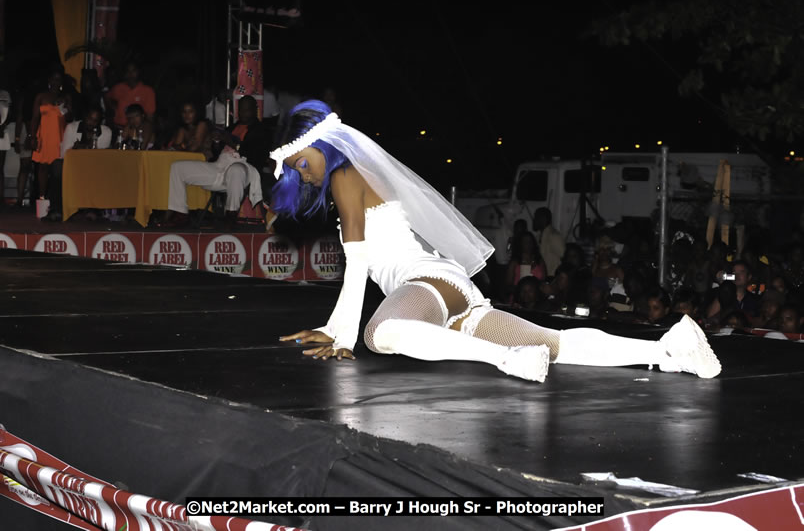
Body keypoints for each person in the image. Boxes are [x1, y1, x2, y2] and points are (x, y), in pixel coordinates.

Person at [271, 100, 721, 382]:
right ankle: (670, 350)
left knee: (381, 333)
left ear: (323, 144)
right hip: (446, 295)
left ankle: (509, 359)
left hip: (425, 283)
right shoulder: (359, 176)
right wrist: (333, 329)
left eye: (302, 163)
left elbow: (357, 263)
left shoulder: (345, 176)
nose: (302, 174)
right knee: (556, 344)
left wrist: (343, 336)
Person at [161, 95, 264, 228]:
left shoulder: (261, 130)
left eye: (246, 110)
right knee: (177, 167)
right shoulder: (233, 127)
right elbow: (217, 152)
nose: (243, 113)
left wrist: (230, 142)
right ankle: (181, 214)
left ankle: (231, 215)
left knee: (236, 169)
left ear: (255, 110)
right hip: (220, 167)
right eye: (241, 110)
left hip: (244, 169)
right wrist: (216, 142)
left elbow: (254, 155)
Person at [48, 106, 112, 221]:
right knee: (57, 165)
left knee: (100, 170)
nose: (91, 123)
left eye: (95, 120)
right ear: (84, 117)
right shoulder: (72, 128)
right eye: (89, 119)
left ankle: (93, 209)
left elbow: (102, 157)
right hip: (74, 166)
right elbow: (64, 154)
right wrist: (76, 148)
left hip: (94, 166)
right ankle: (56, 209)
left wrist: (84, 147)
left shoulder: (106, 131)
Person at [31, 66, 71, 201]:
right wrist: (32, 136)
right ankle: (42, 197)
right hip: (44, 135)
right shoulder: (41, 96)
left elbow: (70, 118)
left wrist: (65, 106)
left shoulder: (65, 97)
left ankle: (56, 198)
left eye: (58, 80)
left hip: (60, 136)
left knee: (58, 168)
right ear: (49, 80)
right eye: (54, 79)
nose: (56, 82)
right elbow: (35, 118)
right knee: (43, 167)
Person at [106, 61, 156, 129]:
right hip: (118, 127)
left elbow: (150, 117)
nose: (130, 74)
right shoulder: (118, 88)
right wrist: (113, 107)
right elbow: (107, 96)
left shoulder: (148, 91)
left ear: (138, 72)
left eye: (133, 71)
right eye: (128, 71)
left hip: (137, 129)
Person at [505, 231, 546, 302]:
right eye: (525, 242)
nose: (528, 244)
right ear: (520, 244)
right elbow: (508, 286)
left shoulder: (539, 260)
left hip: (536, 299)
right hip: (519, 298)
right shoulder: (515, 262)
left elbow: (544, 281)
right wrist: (521, 290)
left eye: (530, 242)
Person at [533, 207, 565, 277]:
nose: (534, 220)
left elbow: (564, 258)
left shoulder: (554, 236)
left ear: (543, 219)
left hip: (552, 278)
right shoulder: (538, 236)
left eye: (536, 217)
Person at [0, 83, 10, 206]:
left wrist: (2, 126)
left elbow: (10, 113)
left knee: (0, 167)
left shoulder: (5, 94)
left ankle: (1, 197)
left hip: (2, 132)